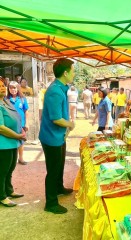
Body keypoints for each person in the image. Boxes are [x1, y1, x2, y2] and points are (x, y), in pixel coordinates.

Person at [39, 58, 75, 214]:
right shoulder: (55, 90)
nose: (74, 74)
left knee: (59, 165)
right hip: (51, 138)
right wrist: (70, 124)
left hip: (59, 137)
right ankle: (51, 203)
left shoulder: (61, 88)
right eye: (73, 71)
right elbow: (56, 118)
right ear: (65, 73)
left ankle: (59, 187)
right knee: (53, 169)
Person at [0, 77, 26, 207]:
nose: (2, 88)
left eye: (3, 85)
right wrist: (17, 135)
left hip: (13, 142)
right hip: (3, 143)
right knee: (3, 170)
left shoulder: (5, 101)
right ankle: (2, 196)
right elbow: (1, 127)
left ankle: (9, 190)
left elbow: (17, 116)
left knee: (11, 168)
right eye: (0, 86)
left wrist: (21, 129)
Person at [7, 81, 29, 165]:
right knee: (11, 141)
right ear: (8, 89)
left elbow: (26, 111)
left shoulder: (22, 99)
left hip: (21, 124)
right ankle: (12, 160)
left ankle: (21, 158)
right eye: (11, 88)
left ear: (18, 88)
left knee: (21, 141)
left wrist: (27, 123)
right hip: (10, 125)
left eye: (14, 88)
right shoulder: (6, 99)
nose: (13, 90)